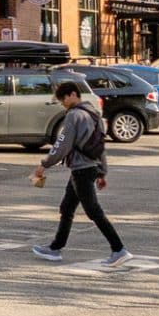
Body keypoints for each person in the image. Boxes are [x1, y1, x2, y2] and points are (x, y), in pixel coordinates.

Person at [31, 79, 132, 268]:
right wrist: (102, 172)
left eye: (63, 99)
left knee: (93, 211)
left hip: (81, 169)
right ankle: (55, 248)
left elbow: (62, 143)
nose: (63, 103)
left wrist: (45, 164)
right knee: (67, 208)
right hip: (90, 167)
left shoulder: (74, 116)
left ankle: (119, 249)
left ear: (72, 95)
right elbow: (100, 146)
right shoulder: (94, 114)